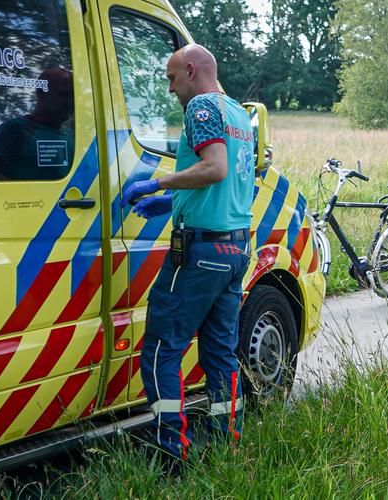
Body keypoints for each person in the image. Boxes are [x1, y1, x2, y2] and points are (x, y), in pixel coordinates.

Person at [122, 43, 257, 463]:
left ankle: (171, 453)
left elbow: (213, 167)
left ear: (193, 70)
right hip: (234, 248)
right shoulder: (237, 113)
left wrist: (158, 185)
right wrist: (176, 202)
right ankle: (225, 441)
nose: (170, 88)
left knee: (164, 347)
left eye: (171, 77)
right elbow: (232, 181)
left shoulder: (200, 107)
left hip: (200, 253)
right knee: (219, 350)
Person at [0, 67, 74, 181]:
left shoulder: (70, 135)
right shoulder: (15, 130)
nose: (70, 102)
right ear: (41, 93)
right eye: (64, 95)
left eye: (73, 96)